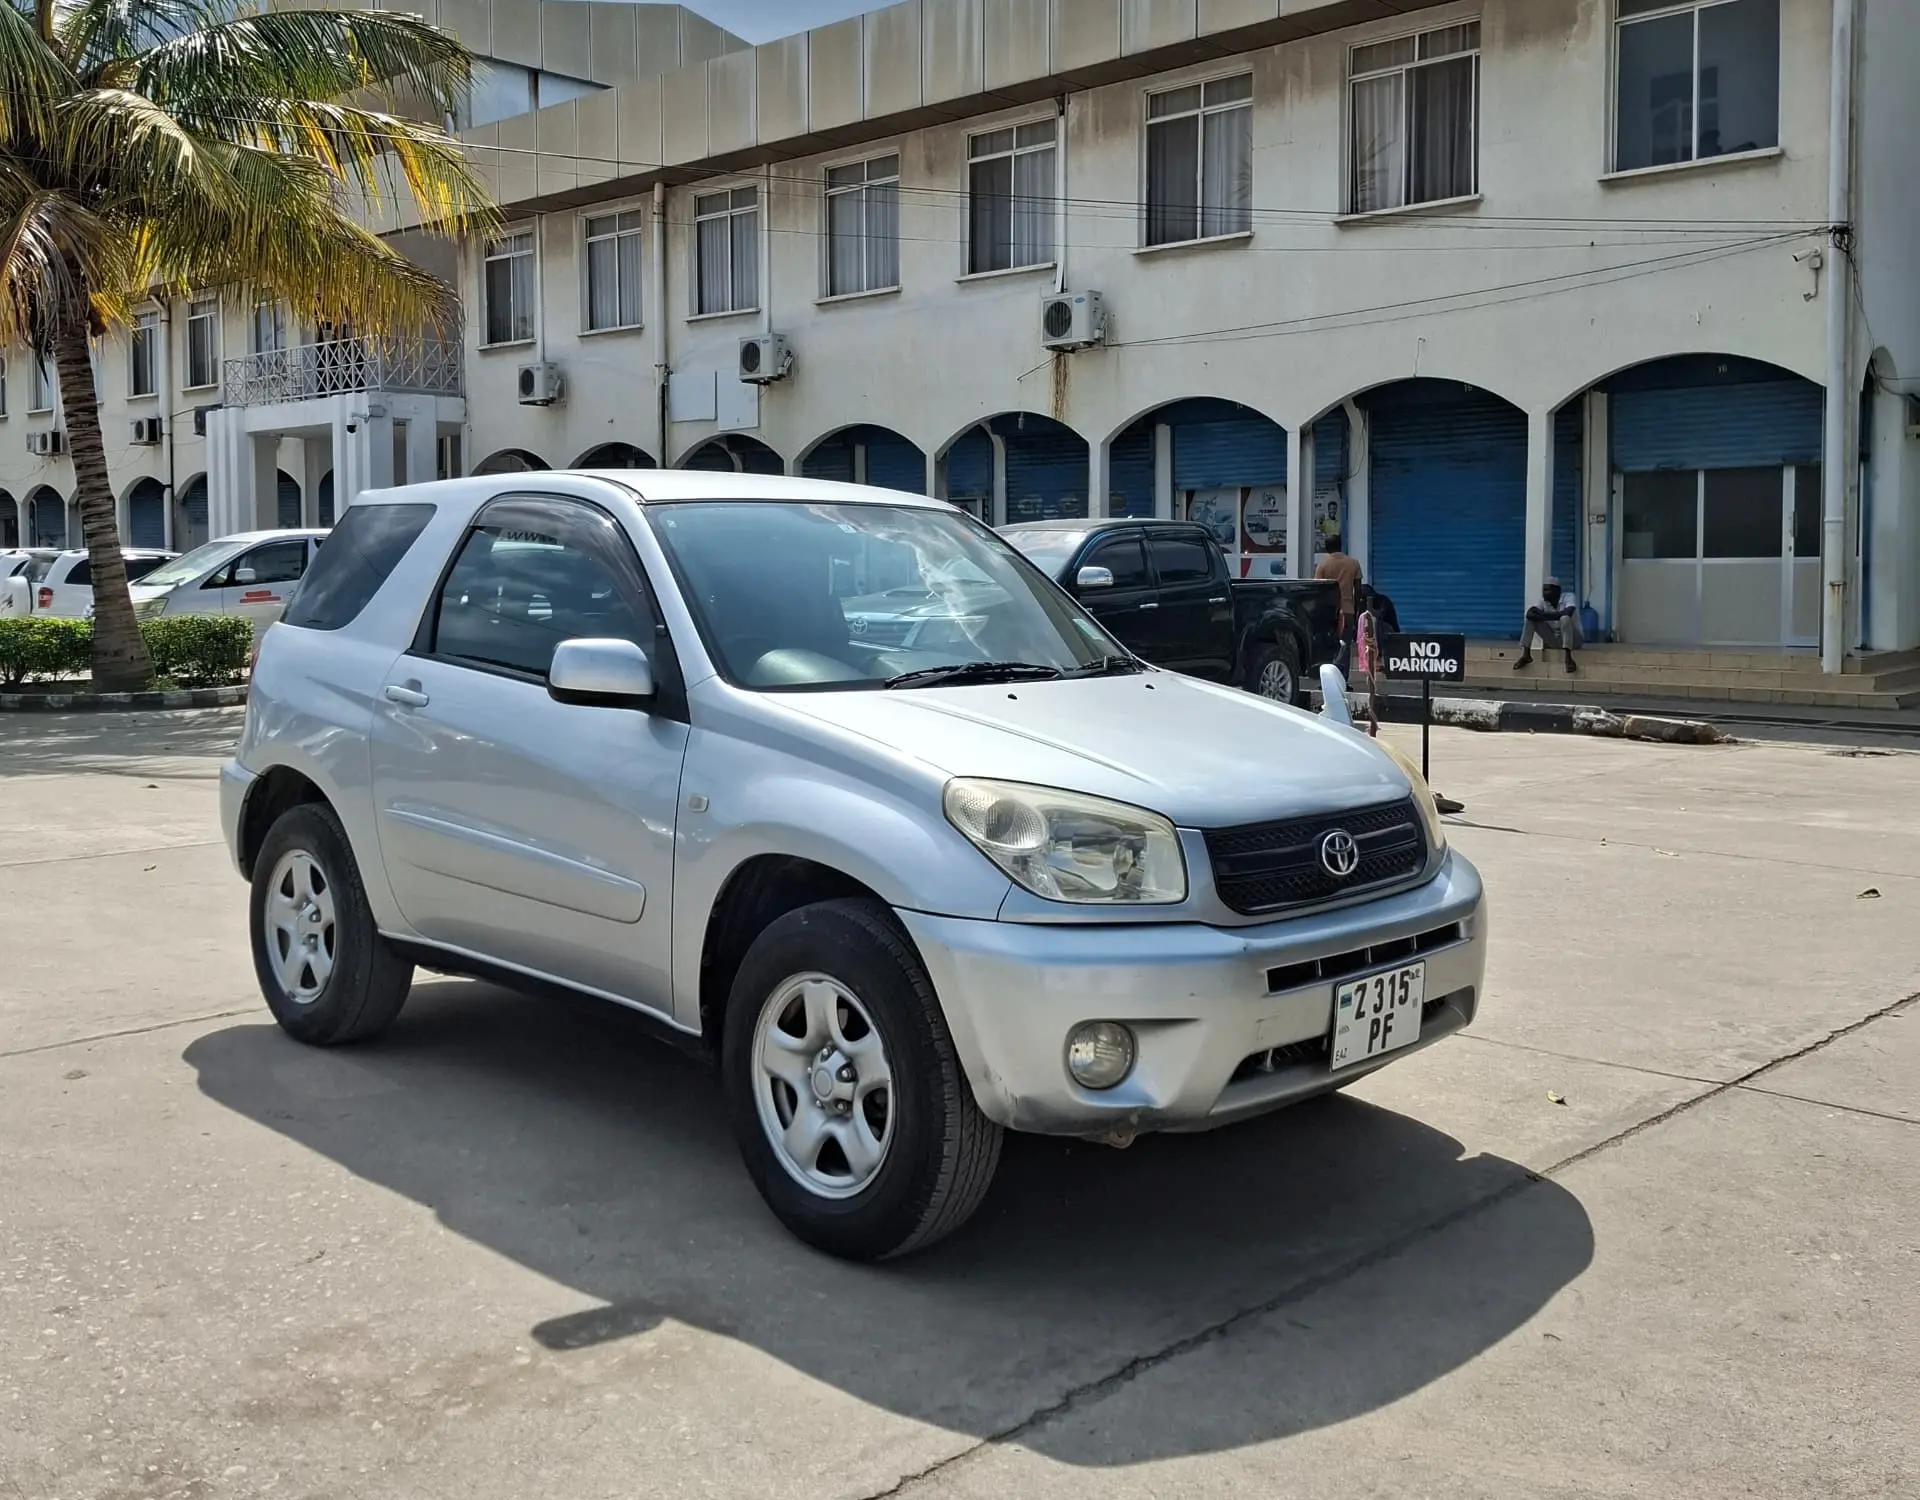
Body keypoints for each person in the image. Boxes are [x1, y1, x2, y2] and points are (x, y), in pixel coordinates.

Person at [1515, 577, 1582, 672]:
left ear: (1557, 591)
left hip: (1574, 640)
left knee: (1565, 618)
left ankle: (1568, 658)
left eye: (1548, 590)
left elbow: (1568, 612)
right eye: (1544, 590)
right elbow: (1529, 614)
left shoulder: (1569, 597)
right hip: (1554, 640)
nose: (1544, 593)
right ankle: (1526, 654)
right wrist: (1550, 616)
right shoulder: (1543, 602)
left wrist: (1542, 615)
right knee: (1530, 620)